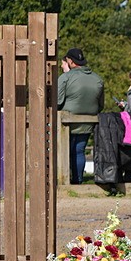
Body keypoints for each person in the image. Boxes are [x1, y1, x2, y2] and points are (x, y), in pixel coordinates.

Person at [56, 47, 105, 185]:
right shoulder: (97, 79)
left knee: (65, 151)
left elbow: (57, 101)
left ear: (70, 61)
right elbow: (101, 105)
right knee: (79, 151)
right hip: (88, 123)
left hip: (67, 123)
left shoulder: (65, 78)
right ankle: (78, 181)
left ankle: (63, 181)